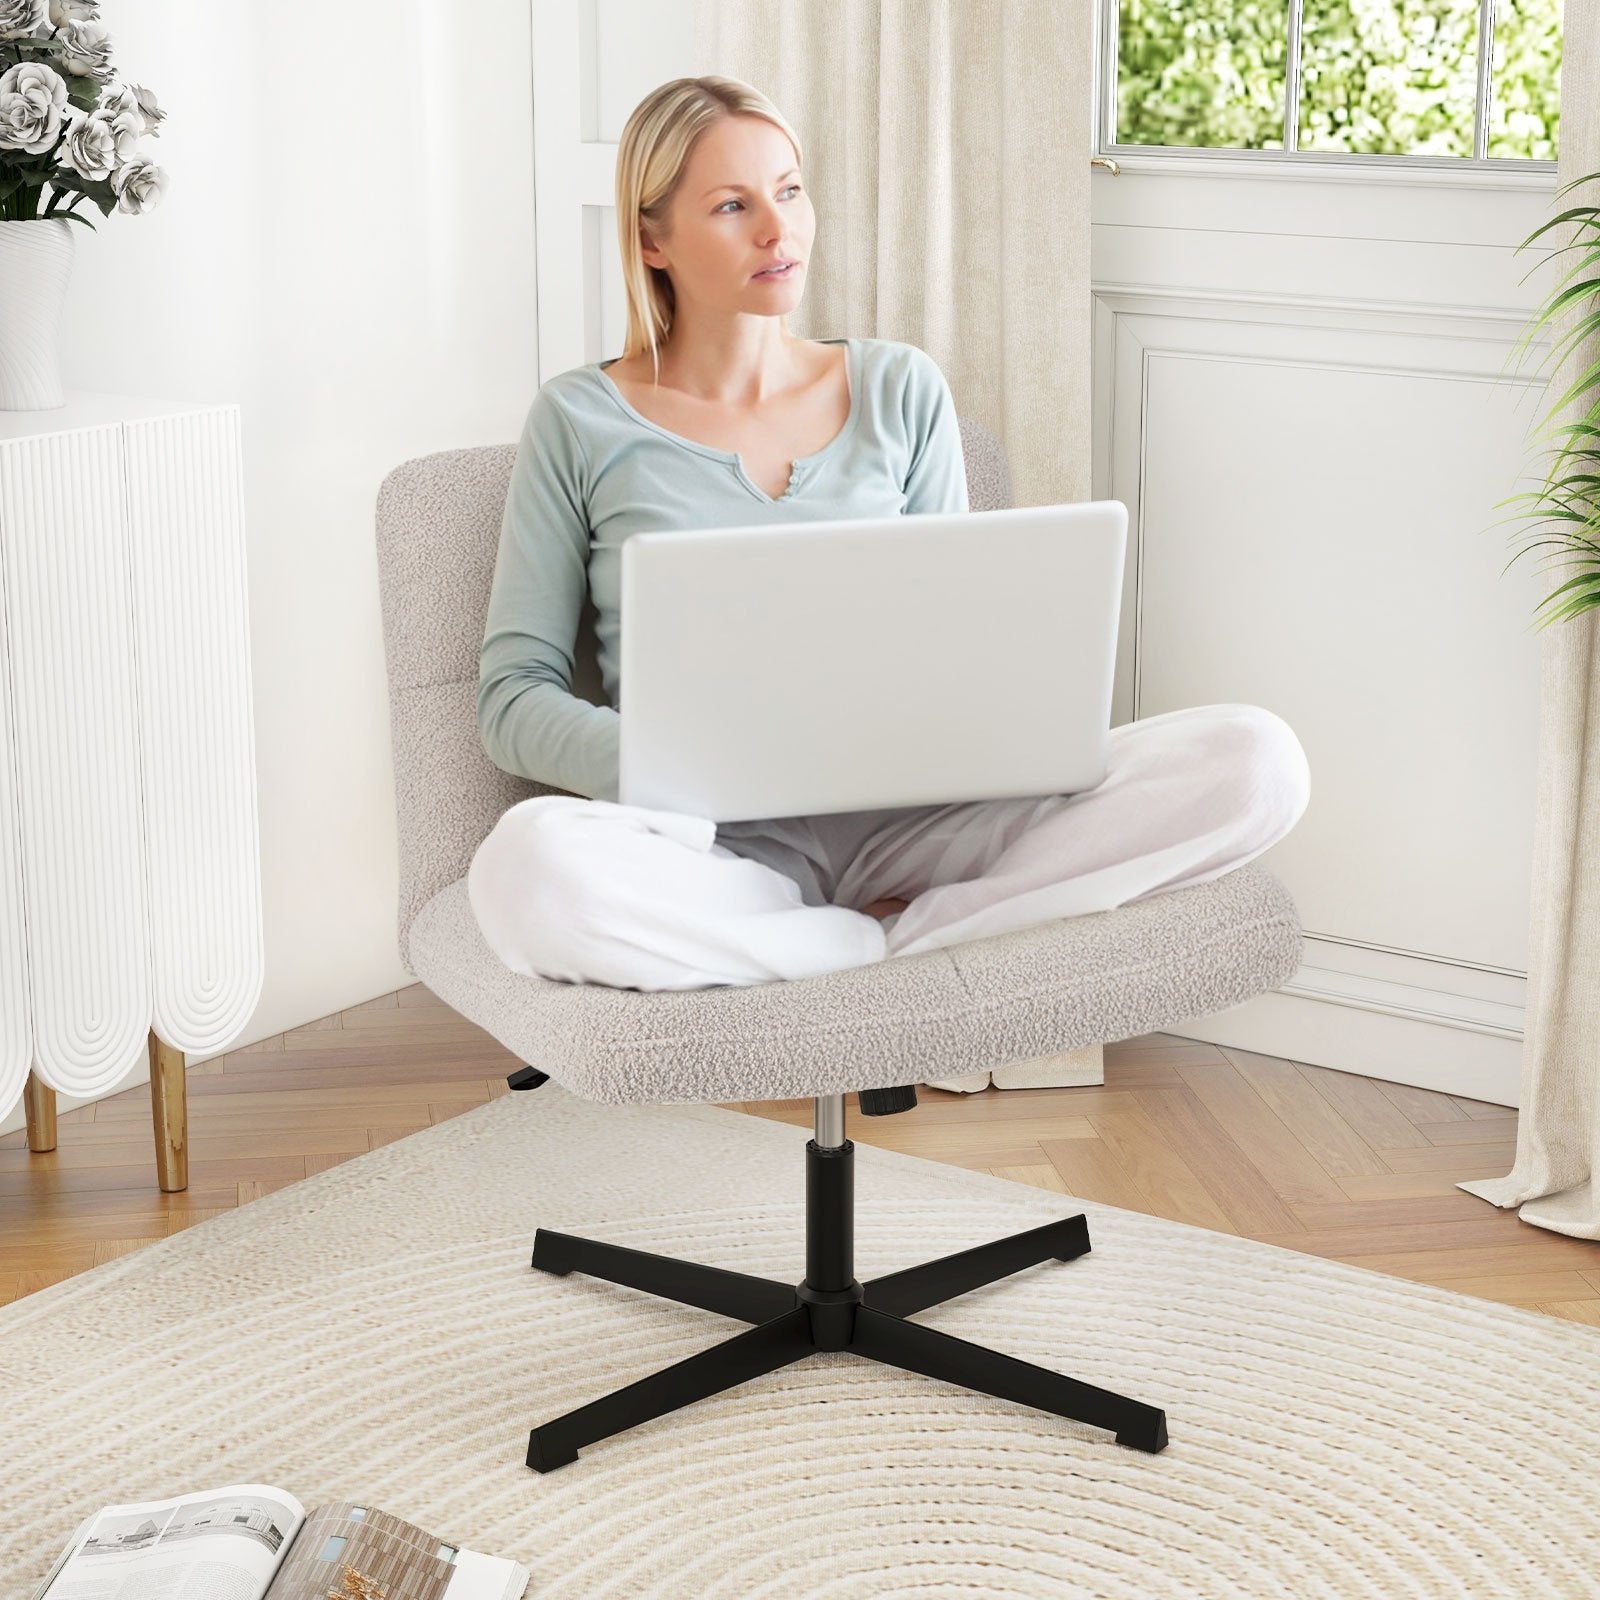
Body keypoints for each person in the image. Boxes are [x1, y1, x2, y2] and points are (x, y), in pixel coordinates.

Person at [468, 76, 1312, 1072]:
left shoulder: (899, 389)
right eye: (732, 205)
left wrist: (995, 727)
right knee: (522, 873)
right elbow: (511, 700)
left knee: (1258, 760)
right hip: (720, 852)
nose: (776, 229)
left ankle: (909, 930)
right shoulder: (578, 419)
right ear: (651, 239)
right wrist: (675, 767)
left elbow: (945, 644)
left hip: (923, 830)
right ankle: (859, 946)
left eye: (788, 191)